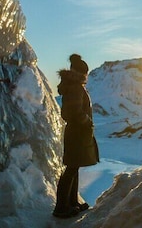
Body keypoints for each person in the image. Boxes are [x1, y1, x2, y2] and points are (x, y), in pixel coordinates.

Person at [52, 54, 99, 218]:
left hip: (76, 132)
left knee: (74, 166)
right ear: (81, 72)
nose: (86, 75)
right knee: (71, 168)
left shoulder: (74, 86)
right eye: (85, 72)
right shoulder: (75, 87)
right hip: (76, 132)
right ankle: (61, 207)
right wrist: (86, 121)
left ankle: (72, 202)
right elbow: (72, 111)